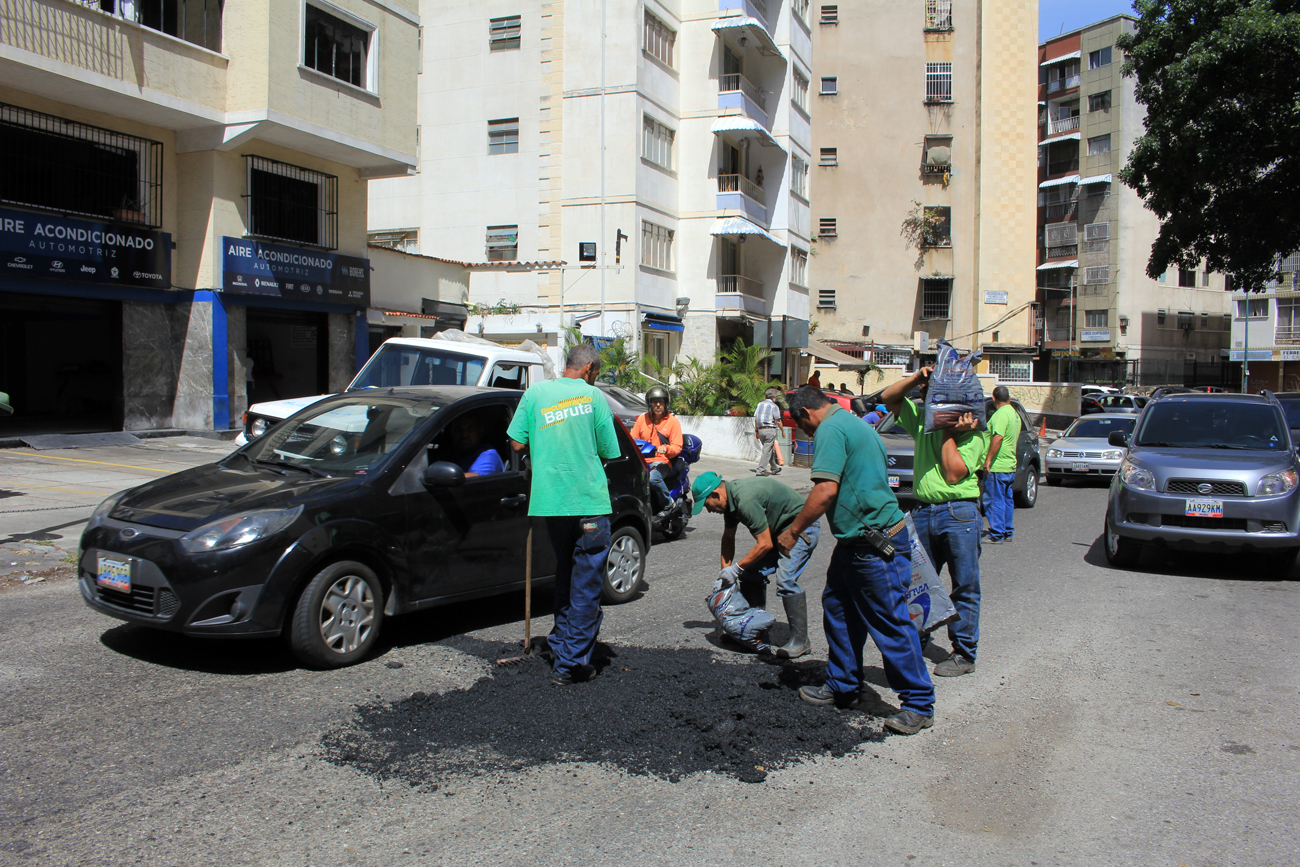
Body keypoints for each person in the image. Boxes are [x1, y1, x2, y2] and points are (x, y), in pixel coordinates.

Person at [775, 386, 934, 734]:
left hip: (875, 546)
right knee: (838, 607)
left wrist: (793, 531)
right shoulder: (856, 423)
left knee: (889, 621)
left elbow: (825, 490)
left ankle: (919, 704)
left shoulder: (830, 430)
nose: (805, 432)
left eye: (801, 425)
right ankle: (844, 685)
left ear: (804, 414)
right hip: (857, 543)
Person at [508, 344, 621, 686]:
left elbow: (515, 443)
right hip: (588, 504)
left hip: (550, 504)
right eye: (596, 373)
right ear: (588, 368)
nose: (595, 378)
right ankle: (571, 664)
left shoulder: (536, 393)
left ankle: (560, 643)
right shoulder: (594, 397)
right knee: (586, 583)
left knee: (566, 573)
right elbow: (609, 450)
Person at [880, 366, 986, 678]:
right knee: (917, 583)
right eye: (926, 395)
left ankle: (964, 653)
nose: (926, 400)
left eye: (933, 396)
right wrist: (916, 378)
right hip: (923, 510)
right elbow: (888, 398)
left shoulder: (976, 431)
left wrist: (947, 428)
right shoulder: (921, 422)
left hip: (959, 512)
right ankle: (919, 636)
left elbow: (954, 472)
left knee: (964, 585)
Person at [693, 471, 819, 658]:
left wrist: (736, 568)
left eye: (705, 504)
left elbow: (765, 544)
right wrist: (726, 574)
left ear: (716, 494)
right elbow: (728, 538)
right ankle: (751, 630)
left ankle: (801, 641)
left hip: (800, 528)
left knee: (786, 580)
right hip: (778, 532)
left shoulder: (745, 500)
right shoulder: (730, 502)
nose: (707, 509)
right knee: (750, 572)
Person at [629, 385, 683, 515]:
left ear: (666, 403)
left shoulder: (673, 422)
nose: (658, 405)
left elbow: (677, 447)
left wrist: (666, 448)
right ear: (649, 403)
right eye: (654, 402)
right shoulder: (642, 419)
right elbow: (632, 440)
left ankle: (668, 504)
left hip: (661, 462)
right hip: (642, 460)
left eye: (661, 402)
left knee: (653, 478)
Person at [981, 386, 1021, 544]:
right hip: (1009, 464)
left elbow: (998, 437)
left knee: (993, 499)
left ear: (994, 398)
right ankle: (1006, 530)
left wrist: (988, 459)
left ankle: (997, 533)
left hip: (998, 465)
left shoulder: (1001, 414)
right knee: (1006, 500)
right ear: (1008, 398)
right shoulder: (1014, 413)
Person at [752, 387, 783, 476]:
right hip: (770, 430)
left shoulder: (759, 405)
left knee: (768, 449)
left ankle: (774, 468)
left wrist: (756, 431)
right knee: (767, 450)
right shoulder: (774, 406)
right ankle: (760, 470)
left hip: (761, 430)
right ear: (773, 397)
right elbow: (778, 420)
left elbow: (756, 418)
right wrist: (782, 431)